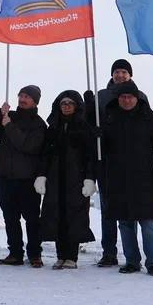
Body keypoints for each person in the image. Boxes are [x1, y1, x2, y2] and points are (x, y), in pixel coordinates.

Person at [99, 80, 153, 276]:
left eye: (130, 97)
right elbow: (101, 150)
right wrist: (97, 135)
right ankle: (132, 261)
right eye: (123, 97)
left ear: (137, 98)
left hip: (145, 179)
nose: (126, 100)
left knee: (148, 223)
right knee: (125, 223)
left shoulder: (150, 118)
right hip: (118, 178)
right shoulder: (109, 118)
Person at [85, 59, 150, 267]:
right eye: (117, 72)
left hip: (132, 162)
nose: (120, 75)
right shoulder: (101, 96)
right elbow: (89, 124)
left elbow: (146, 125)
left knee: (134, 209)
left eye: (124, 72)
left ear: (130, 75)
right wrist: (89, 110)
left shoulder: (140, 96)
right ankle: (109, 252)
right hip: (106, 159)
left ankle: (136, 254)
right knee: (108, 207)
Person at [0, 85, 48, 267]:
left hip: (27, 178)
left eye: (27, 96)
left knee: (32, 218)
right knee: (10, 217)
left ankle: (35, 254)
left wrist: (9, 126)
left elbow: (27, 145)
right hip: (5, 175)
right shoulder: (9, 116)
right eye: (21, 95)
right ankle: (15, 253)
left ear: (35, 101)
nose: (22, 99)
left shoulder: (39, 124)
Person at [38, 91, 96, 269]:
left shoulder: (84, 128)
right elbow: (45, 154)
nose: (67, 106)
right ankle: (60, 255)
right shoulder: (53, 128)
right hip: (55, 179)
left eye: (70, 103)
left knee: (74, 216)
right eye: (63, 103)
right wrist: (42, 175)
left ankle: (71, 256)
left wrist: (90, 178)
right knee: (57, 216)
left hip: (76, 179)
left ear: (76, 106)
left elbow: (90, 156)